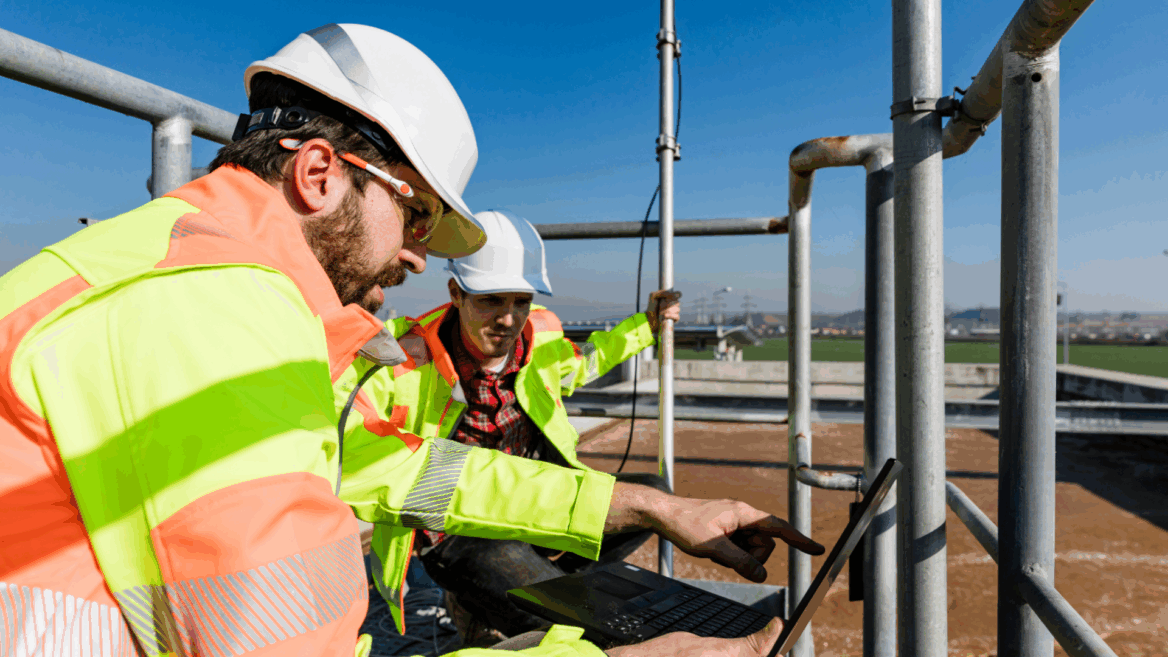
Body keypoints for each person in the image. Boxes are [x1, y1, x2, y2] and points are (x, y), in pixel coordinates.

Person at [0, 23, 820, 657]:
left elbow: (407, 467)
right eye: (416, 212)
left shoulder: (185, 276)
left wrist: (652, 503)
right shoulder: (215, 312)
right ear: (319, 173)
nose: (418, 253)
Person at [346, 209, 679, 640]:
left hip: (533, 502)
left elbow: (581, 364)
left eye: (520, 301)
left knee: (652, 497)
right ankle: (507, 598)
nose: (507, 319)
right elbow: (351, 431)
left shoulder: (539, 338)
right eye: (490, 300)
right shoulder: (402, 358)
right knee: (566, 621)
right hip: (458, 528)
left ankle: (509, 592)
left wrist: (646, 327)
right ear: (456, 293)